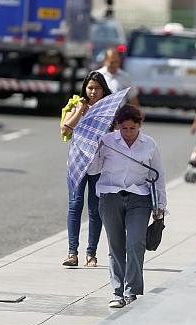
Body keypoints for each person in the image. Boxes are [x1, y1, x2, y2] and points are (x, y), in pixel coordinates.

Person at [90, 104, 167, 308]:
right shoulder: (106, 141)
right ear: (117, 126)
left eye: (132, 129)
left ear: (139, 125)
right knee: (116, 246)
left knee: (135, 243)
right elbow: (92, 171)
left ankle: (131, 290)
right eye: (124, 129)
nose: (128, 133)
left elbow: (158, 176)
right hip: (110, 196)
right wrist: (95, 152)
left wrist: (160, 205)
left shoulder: (149, 144)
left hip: (139, 198)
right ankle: (117, 292)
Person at [59, 71, 112, 267]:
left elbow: (114, 136)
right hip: (77, 163)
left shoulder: (108, 110)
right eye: (90, 88)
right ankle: (72, 253)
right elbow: (65, 130)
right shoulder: (77, 105)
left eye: (97, 88)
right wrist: (80, 109)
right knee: (75, 205)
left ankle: (91, 253)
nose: (93, 92)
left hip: (98, 165)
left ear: (103, 90)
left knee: (95, 209)